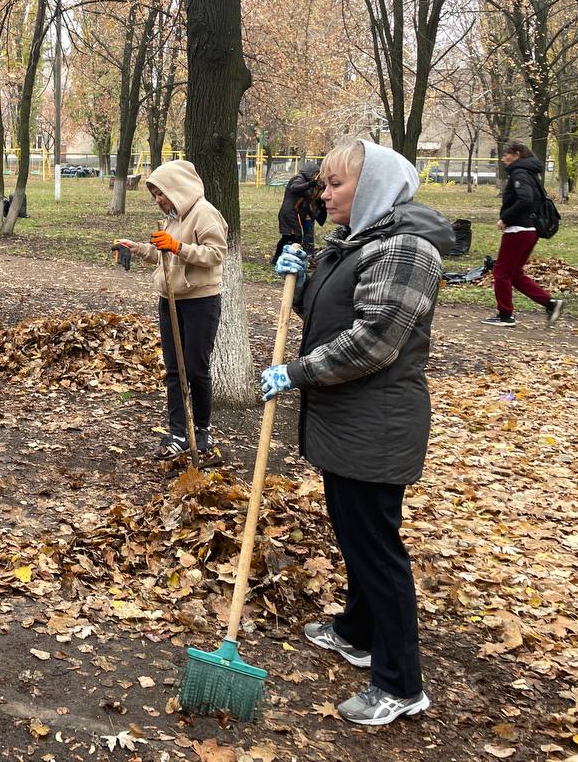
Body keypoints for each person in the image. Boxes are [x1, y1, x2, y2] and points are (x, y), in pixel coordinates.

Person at [263, 138, 453, 726]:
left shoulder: (406, 249)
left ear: (370, 187)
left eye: (336, 184)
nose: (324, 194)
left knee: (377, 549)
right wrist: (299, 285)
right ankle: (358, 629)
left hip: (379, 422)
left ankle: (400, 683)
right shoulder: (360, 243)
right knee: (355, 535)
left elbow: (373, 342)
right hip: (348, 419)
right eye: (322, 183)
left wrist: (295, 373)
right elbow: (333, 320)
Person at [115, 160, 228, 460]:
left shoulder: (205, 213)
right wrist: (137, 247)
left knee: (196, 368)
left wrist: (177, 246)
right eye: (154, 194)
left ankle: (201, 430)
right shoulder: (173, 217)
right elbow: (163, 255)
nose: (157, 200)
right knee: (174, 370)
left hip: (201, 302)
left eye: (160, 193)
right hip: (171, 300)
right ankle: (178, 431)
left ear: (175, 187)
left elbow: (216, 254)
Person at [481, 140, 563, 327]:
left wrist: (506, 219)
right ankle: (551, 304)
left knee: (501, 273)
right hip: (529, 230)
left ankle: (505, 316)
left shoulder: (519, 173)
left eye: (505, 154)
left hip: (518, 230)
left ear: (517, 154)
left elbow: (525, 200)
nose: (502, 159)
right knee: (514, 274)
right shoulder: (528, 172)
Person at [273, 161, 324, 264]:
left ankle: (277, 258)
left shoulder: (304, 182)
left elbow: (306, 202)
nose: (315, 177)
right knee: (297, 236)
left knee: (288, 237)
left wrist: (313, 215)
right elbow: (294, 188)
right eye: (315, 174)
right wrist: (310, 184)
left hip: (293, 213)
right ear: (310, 172)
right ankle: (291, 259)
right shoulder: (298, 179)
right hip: (290, 213)